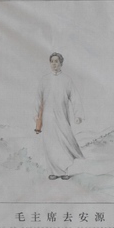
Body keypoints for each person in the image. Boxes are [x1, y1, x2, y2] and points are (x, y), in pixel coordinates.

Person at [34, 52, 84, 180]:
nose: (54, 64)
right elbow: (38, 99)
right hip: (47, 118)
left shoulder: (67, 80)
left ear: (61, 63)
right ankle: (53, 172)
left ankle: (64, 172)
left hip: (62, 116)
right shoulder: (44, 80)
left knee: (64, 142)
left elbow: (75, 97)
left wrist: (78, 115)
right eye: (52, 61)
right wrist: (36, 115)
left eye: (56, 61)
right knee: (50, 144)